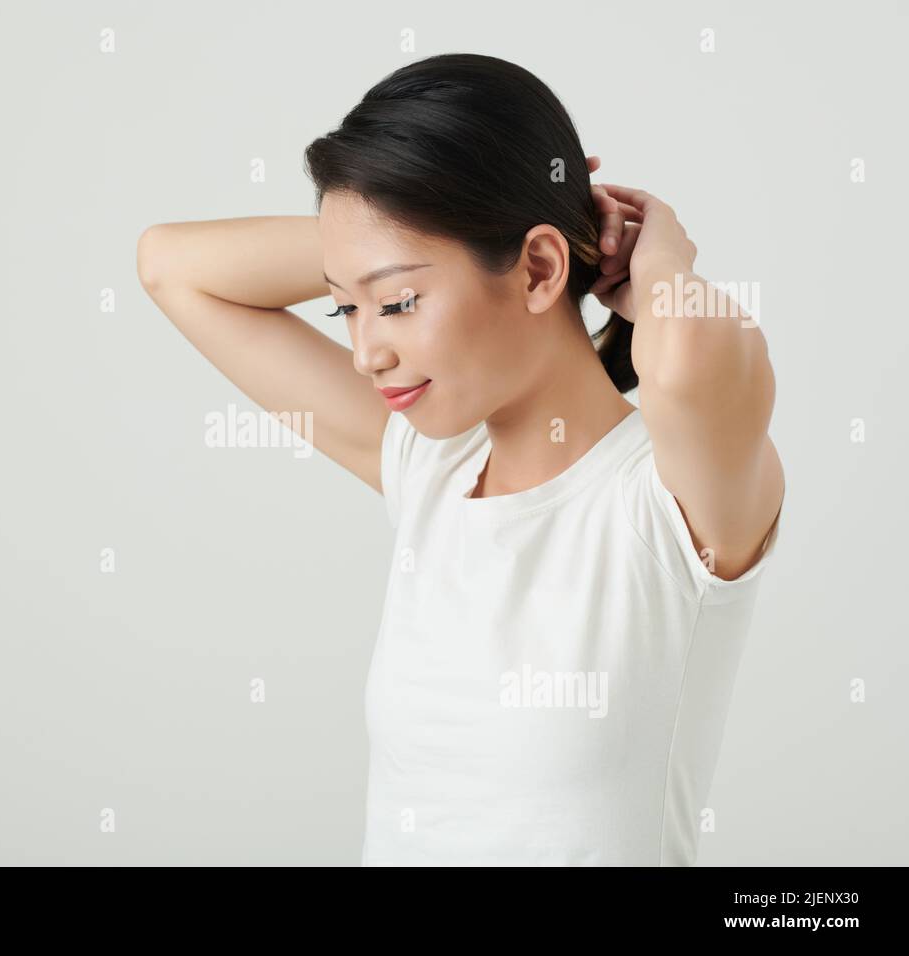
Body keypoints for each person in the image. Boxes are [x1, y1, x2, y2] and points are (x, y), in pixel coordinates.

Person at [136, 52, 784, 866]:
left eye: (400, 303)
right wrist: (411, 236)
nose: (368, 352)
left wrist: (658, 260)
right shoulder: (429, 468)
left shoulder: (669, 502)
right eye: (347, 307)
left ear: (540, 269)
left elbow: (689, 361)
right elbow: (169, 265)